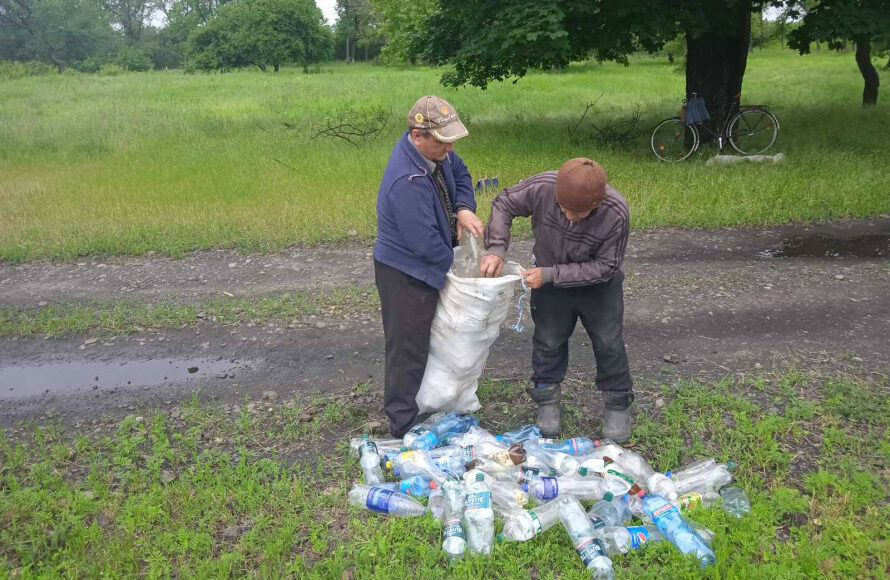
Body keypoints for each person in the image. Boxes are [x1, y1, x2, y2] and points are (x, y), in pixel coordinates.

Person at [479, 158, 634, 442]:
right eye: (564, 208)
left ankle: (617, 404)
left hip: (598, 286)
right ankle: (547, 402)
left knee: (608, 342)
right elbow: (504, 202)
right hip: (549, 281)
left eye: (579, 213)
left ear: (597, 204)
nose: (570, 216)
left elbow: (606, 267)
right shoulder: (543, 187)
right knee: (548, 341)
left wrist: (549, 275)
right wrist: (496, 248)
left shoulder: (616, 211)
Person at [373, 95, 484, 437]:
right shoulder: (405, 182)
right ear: (417, 134)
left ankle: (435, 400)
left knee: (435, 336)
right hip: (405, 271)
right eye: (442, 142)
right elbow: (427, 247)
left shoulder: (436, 152)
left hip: (430, 255)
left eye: (451, 141)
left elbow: (462, 173)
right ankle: (403, 424)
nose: (449, 150)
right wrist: (466, 274)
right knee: (407, 345)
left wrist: (463, 207)